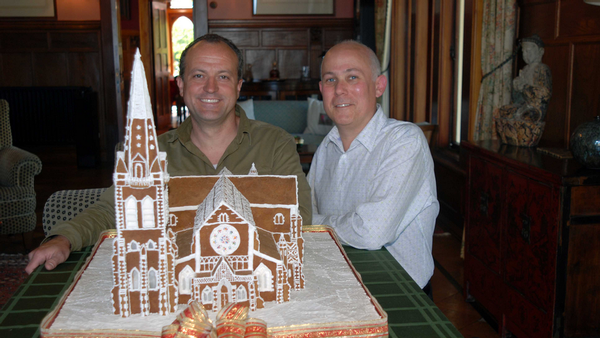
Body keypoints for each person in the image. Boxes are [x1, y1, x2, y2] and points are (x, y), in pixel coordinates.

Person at [26, 33, 311, 274]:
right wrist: (63, 239)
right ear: (181, 84)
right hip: (174, 282)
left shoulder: (275, 143)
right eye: (199, 75)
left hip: (255, 277)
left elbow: (300, 216)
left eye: (222, 76)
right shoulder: (151, 153)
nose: (210, 88)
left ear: (238, 87)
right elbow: (111, 209)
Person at [307, 40, 439, 291]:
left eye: (352, 77)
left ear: (379, 86)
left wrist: (313, 222)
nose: (340, 90)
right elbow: (302, 214)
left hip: (400, 290)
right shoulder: (326, 148)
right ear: (321, 89)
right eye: (331, 80)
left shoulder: (404, 141)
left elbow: (372, 232)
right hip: (342, 285)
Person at [495, 34, 552, 124]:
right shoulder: (525, 69)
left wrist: (524, 87)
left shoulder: (542, 69)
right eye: (523, 51)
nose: (525, 54)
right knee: (504, 110)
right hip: (523, 105)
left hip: (535, 108)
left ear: (540, 52)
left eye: (528, 51)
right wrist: (516, 87)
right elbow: (517, 98)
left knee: (524, 116)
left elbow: (544, 94)